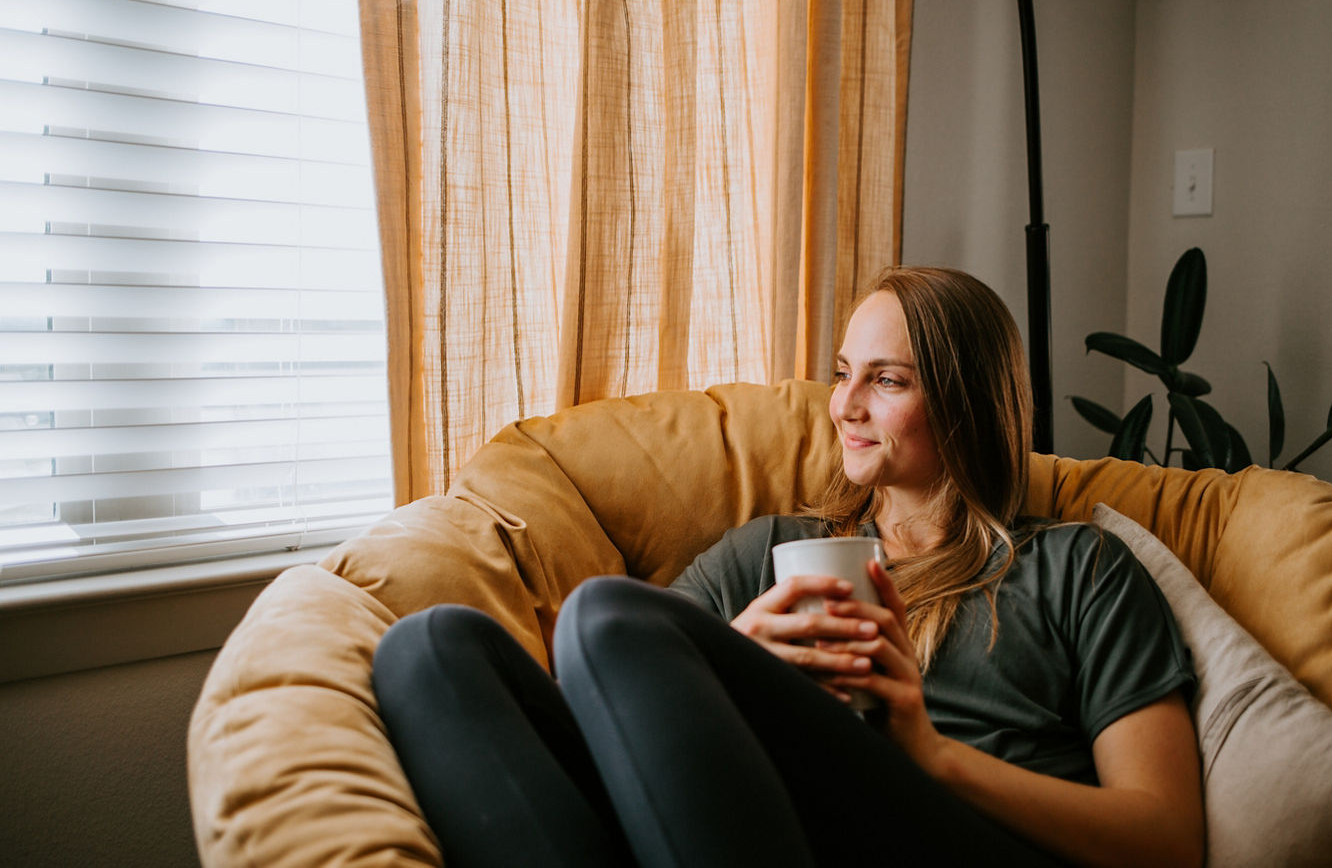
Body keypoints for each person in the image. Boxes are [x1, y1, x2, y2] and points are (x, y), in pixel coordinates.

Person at [372, 266, 1204, 868]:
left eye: (887, 379)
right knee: (431, 649)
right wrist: (733, 659)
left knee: (606, 615)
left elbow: (1167, 839)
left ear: (967, 400)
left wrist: (929, 753)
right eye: (844, 374)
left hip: (949, 830)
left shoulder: (1077, 568)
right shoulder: (767, 552)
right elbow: (596, 728)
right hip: (752, 829)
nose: (845, 404)